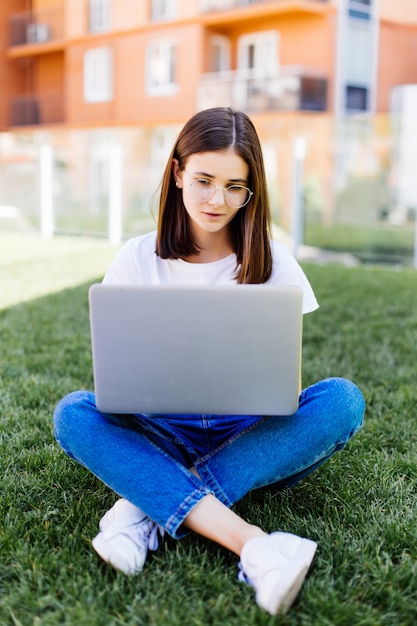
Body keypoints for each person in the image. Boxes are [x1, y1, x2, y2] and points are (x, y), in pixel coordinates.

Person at [53, 107, 365, 616]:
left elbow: (288, 384)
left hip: (246, 433)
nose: (217, 200)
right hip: (160, 429)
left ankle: (145, 505)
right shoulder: (136, 258)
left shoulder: (274, 261)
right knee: (73, 414)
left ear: (251, 190)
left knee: (342, 401)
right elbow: (116, 372)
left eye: (234, 187)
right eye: (203, 180)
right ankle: (253, 545)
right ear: (177, 173)